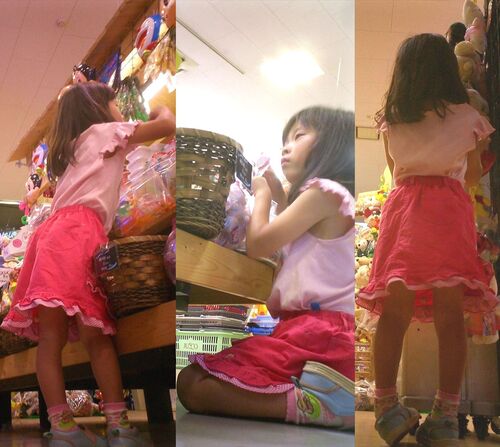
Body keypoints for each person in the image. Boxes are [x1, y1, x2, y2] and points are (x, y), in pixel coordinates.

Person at [1, 82, 175, 447]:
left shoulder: (74, 150)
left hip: (50, 238)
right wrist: (159, 109)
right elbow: (167, 125)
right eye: (115, 103)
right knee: (97, 336)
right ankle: (118, 426)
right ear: (100, 108)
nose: (120, 111)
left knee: (50, 340)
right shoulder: (108, 131)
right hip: (80, 234)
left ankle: (62, 427)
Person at [356, 33, 497, 447]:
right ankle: (445, 417)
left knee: (393, 314)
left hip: (403, 213)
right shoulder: (467, 117)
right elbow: (473, 174)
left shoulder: (392, 120)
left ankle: (386, 411)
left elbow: (394, 169)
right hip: (448, 213)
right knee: (450, 317)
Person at [177, 106, 356, 429]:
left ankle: (323, 406)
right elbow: (294, 227)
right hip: (315, 332)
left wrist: (261, 195)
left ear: (332, 145)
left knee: (192, 384)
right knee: (192, 381)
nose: (286, 147)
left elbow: (259, 243)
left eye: (298, 136)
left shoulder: (324, 192)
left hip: (320, 335)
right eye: (285, 140)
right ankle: (321, 400)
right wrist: (275, 190)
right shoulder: (327, 199)